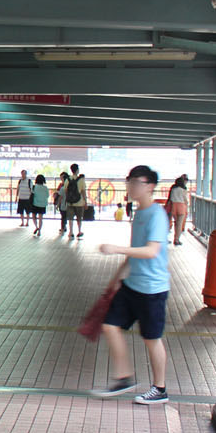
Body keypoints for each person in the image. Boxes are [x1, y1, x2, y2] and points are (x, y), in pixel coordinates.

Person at [91, 165, 172, 405]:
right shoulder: (139, 213)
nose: (131, 187)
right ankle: (124, 377)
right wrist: (116, 278)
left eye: (135, 182)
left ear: (149, 186)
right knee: (110, 325)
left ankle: (160, 389)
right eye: (129, 182)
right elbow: (135, 250)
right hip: (131, 285)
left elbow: (151, 250)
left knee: (151, 338)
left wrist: (115, 249)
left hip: (152, 289)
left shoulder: (157, 214)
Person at [64, 163, 88, 240]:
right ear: (77, 170)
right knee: (79, 218)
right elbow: (83, 192)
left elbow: (66, 190)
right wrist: (85, 201)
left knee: (70, 218)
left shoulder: (67, 180)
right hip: (79, 202)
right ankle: (79, 231)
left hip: (70, 202)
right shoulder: (81, 180)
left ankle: (71, 232)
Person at [166, 175, 190, 245]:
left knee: (175, 222)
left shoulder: (173, 189)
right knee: (179, 224)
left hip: (174, 206)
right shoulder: (183, 190)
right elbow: (185, 200)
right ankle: (176, 240)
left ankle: (171, 237)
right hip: (181, 206)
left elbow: (170, 198)